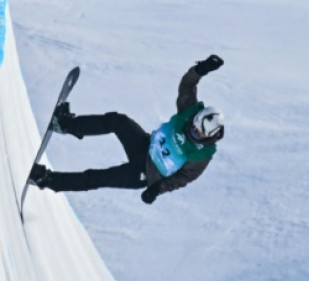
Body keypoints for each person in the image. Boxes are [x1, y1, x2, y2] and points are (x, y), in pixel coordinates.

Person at [29, 54, 225, 205]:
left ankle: (47, 180)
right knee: (118, 121)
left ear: (209, 136)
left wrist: (156, 190)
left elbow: (182, 179)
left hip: (146, 173)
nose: (193, 132)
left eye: (198, 134)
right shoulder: (189, 112)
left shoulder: (202, 156)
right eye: (193, 127)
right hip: (146, 146)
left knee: (99, 177)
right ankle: (65, 125)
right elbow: (187, 86)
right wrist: (201, 69)